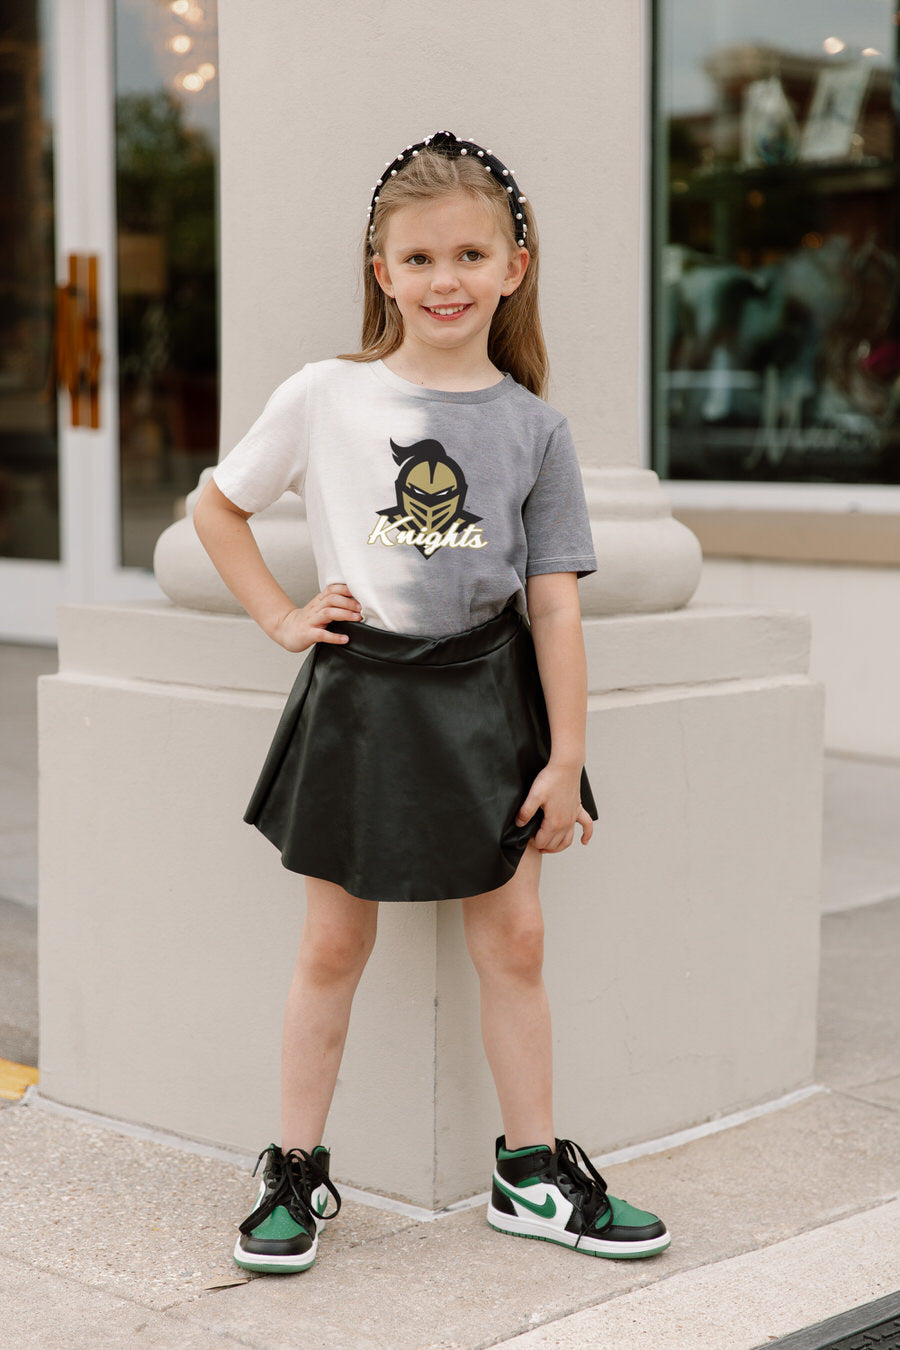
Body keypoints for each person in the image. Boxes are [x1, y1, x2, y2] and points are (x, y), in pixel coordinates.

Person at [194, 131, 670, 1275]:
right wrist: (282, 617)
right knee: (332, 943)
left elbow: (554, 606)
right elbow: (217, 508)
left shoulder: (536, 427)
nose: (444, 279)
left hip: (491, 704)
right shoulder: (327, 395)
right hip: (362, 701)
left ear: (513, 267)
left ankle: (531, 1170)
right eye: (418, 258)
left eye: (469, 254)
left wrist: (565, 758)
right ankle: (294, 1171)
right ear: (383, 272)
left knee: (516, 938)